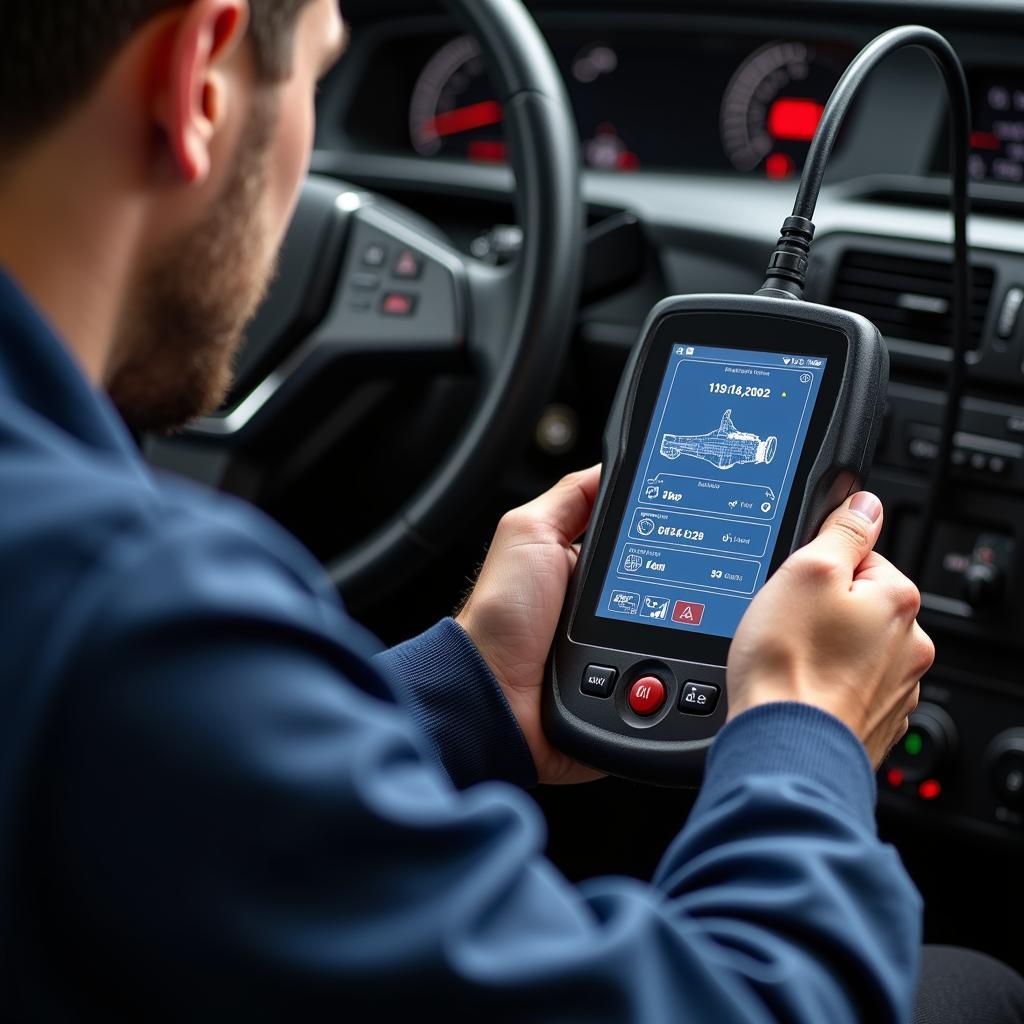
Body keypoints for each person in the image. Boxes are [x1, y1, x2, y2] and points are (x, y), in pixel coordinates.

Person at [0, 1, 1021, 1021]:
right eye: (314, 79)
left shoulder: (83, 613)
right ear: (200, 80)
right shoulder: (127, 607)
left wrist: (468, 692)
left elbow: (180, 800)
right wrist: (806, 730)